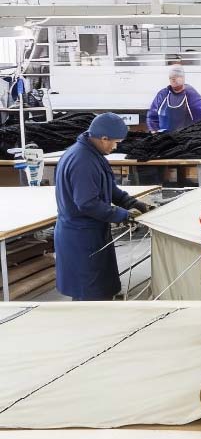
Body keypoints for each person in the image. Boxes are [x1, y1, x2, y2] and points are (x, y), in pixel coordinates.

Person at [54, 112, 153, 300]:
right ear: (103, 138)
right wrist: (123, 215)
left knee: (101, 283)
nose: (116, 147)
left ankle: (105, 300)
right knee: (88, 290)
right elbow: (87, 203)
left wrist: (133, 204)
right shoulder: (82, 161)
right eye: (114, 142)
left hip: (92, 229)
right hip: (81, 234)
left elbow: (108, 188)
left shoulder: (92, 153)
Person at [146, 65, 201, 133]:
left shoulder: (192, 95)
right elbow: (152, 116)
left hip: (185, 138)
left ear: (183, 78)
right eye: (171, 77)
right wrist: (154, 131)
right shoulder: (162, 94)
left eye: (176, 76)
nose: (173, 79)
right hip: (163, 138)